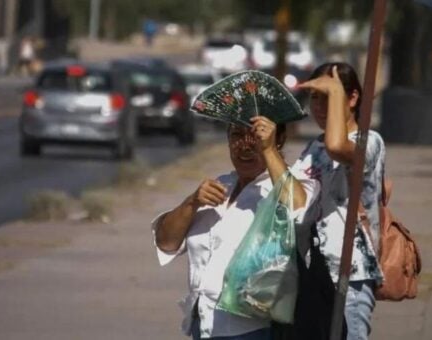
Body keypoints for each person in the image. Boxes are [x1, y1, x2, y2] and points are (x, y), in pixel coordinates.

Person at [151, 117, 316, 340]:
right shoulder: (220, 186)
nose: (245, 145)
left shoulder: (292, 186)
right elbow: (166, 242)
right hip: (204, 324)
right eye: (237, 135)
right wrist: (192, 202)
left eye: (255, 136)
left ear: (278, 140)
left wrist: (267, 150)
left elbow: (298, 209)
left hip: (253, 328)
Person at [292, 62, 386, 340]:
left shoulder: (369, 141)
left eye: (329, 98)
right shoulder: (313, 147)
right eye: (316, 98)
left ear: (353, 98)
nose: (319, 107)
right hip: (310, 274)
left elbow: (338, 147)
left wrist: (334, 88)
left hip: (349, 274)